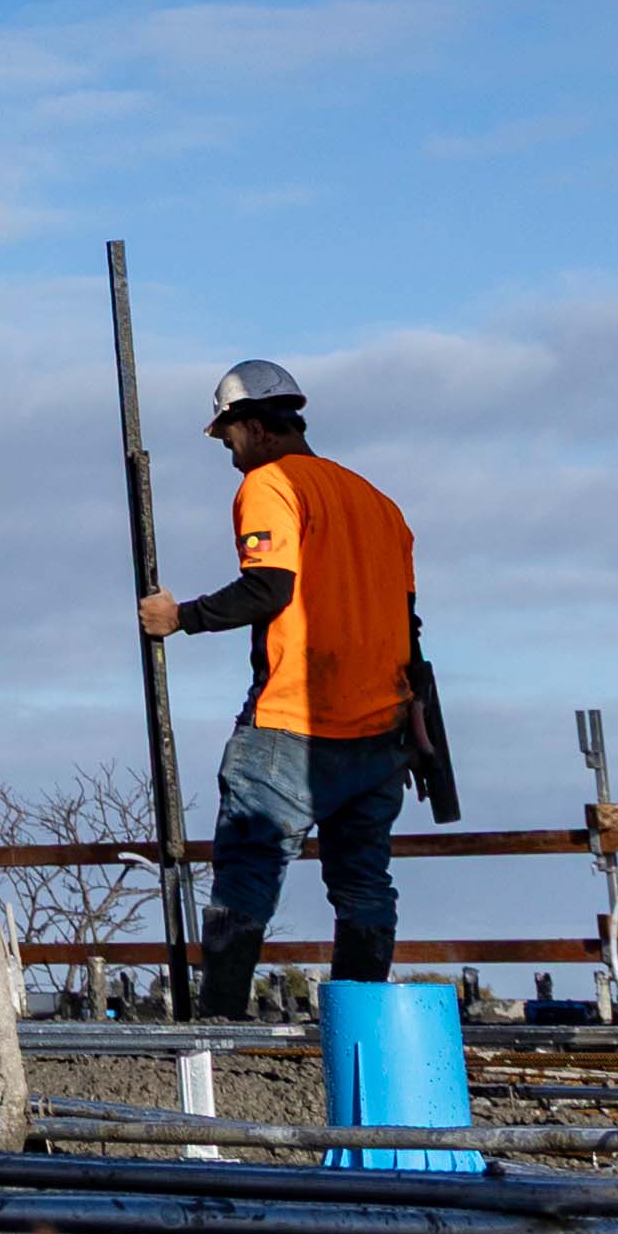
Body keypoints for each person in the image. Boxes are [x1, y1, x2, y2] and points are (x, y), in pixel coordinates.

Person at [143, 359, 417, 1016]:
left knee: (246, 872)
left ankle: (222, 1029)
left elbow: (270, 587)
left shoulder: (270, 484)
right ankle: (360, 1027)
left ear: (255, 426)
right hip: (383, 728)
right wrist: (420, 724)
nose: (229, 452)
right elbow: (409, 622)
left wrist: (179, 618)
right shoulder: (379, 503)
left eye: (228, 436)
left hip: (293, 722)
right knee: (364, 885)